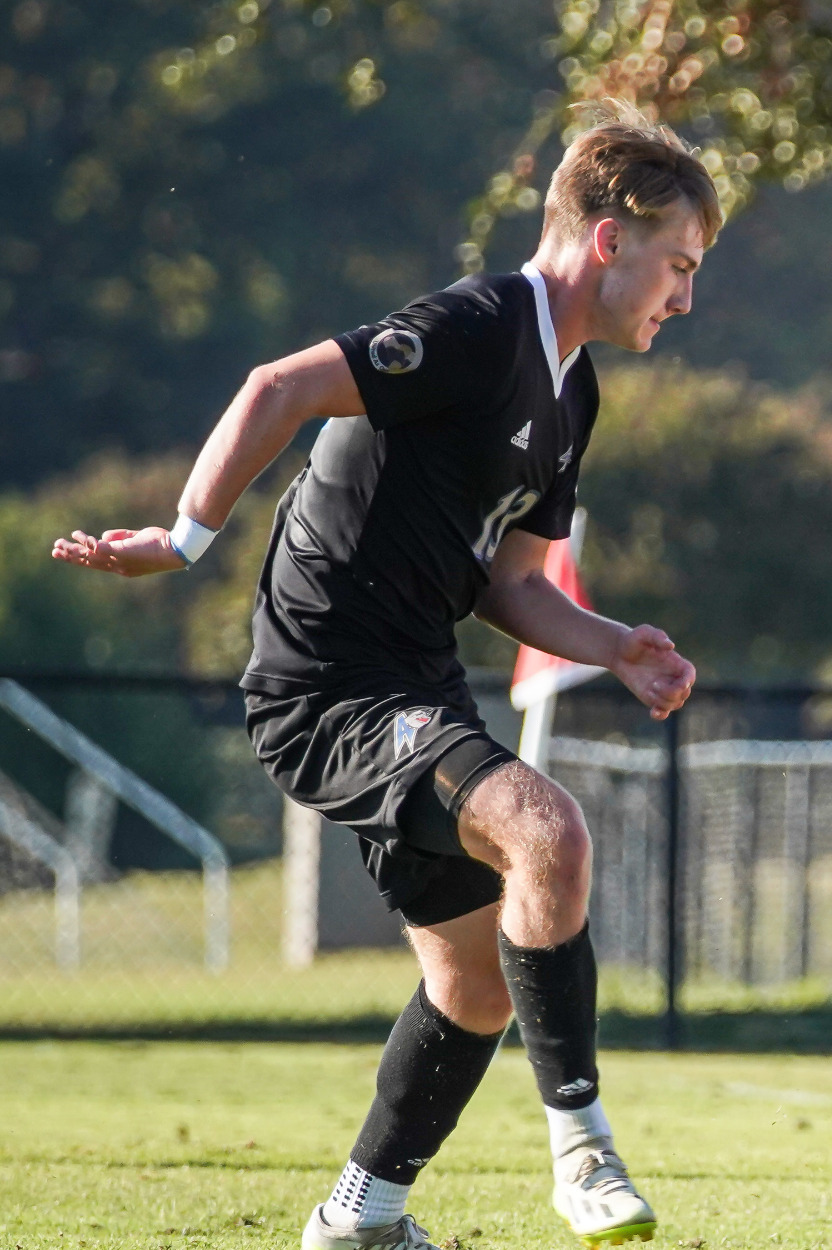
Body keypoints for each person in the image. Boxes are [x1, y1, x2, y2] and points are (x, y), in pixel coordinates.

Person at [52, 106, 716, 1250]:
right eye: (680, 264)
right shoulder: (477, 323)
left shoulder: (574, 393)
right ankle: (583, 1145)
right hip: (326, 684)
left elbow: (509, 583)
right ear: (609, 238)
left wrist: (614, 642)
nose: (686, 298)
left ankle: (360, 1213)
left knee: (477, 982)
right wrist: (184, 537)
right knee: (546, 832)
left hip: (414, 683)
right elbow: (277, 385)